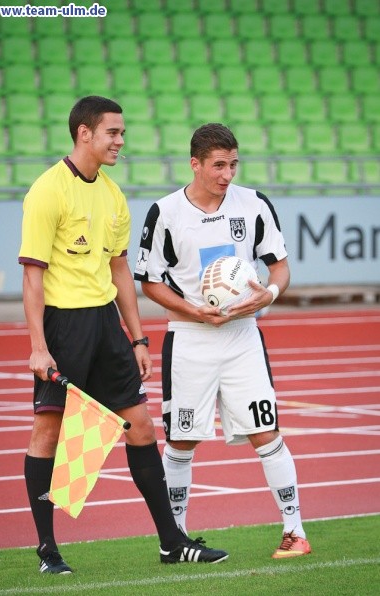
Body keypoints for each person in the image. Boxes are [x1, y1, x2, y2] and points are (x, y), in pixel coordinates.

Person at [18, 98, 228, 574]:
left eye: (122, 133)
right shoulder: (48, 191)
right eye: (112, 133)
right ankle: (48, 549)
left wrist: (137, 339)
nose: (120, 141)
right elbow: (33, 278)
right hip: (62, 325)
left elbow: (119, 272)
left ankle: (171, 542)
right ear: (84, 134)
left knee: (142, 426)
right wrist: (37, 345)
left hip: (105, 327)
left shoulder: (113, 194)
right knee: (48, 432)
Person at [134, 123, 311, 559]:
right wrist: (195, 311)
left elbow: (280, 267)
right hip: (190, 339)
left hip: (242, 339)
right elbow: (150, 283)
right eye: (218, 165)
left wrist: (267, 295)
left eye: (233, 164)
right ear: (195, 163)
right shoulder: (166, 212)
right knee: (181, 440)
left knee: (266, 431)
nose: (227, 174)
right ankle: (175, 538)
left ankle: (295, 532)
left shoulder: (253, 204)